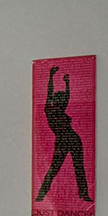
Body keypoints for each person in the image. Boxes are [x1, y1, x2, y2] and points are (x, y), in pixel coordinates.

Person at [35, 65, 92, 203]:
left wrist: (67, 83)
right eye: (60, 99)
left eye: (62, 99)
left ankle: (84, 193)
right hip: (62, 141)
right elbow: (49, 93)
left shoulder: (59, 109)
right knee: (54, 168)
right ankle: (42, 193)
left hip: (73, 138)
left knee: (79, 167)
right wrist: (51, 76)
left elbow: (67, 96)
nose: (63, 100)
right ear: (55, 100)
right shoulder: (49, 110)